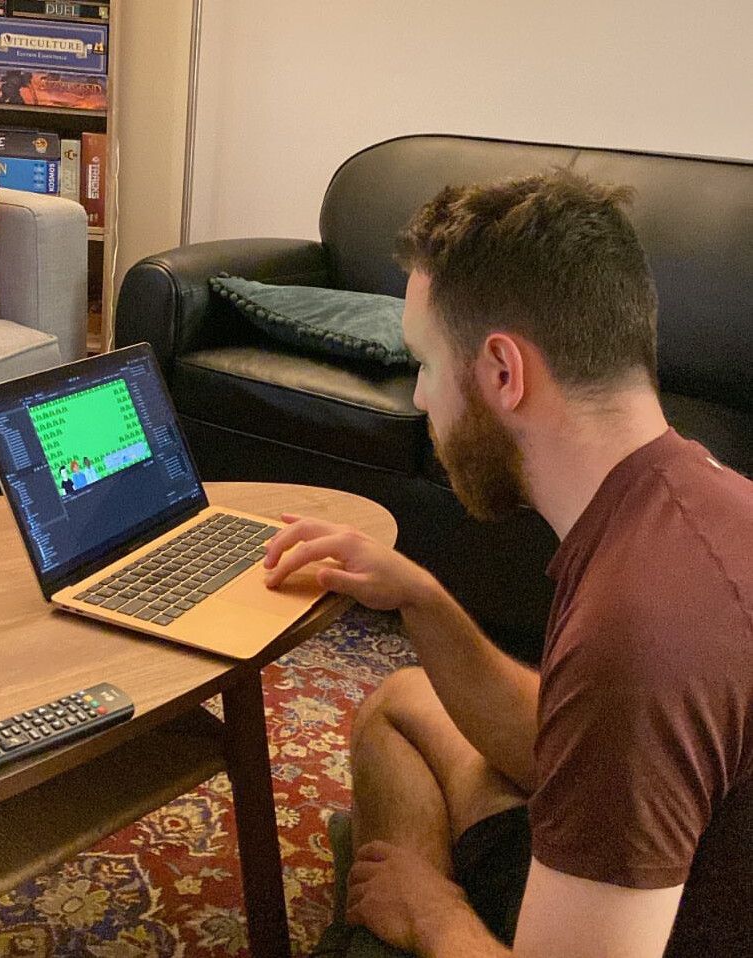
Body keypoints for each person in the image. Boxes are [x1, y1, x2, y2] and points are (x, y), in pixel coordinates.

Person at [263, 171, 751, 958]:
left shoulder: (634, 633)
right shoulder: (695, 496)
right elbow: (570, 745)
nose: (420, 399)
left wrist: (433, 916)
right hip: (682, 862)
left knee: (406, 880)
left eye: (425, 364)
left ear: (501, 371)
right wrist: (420, 598)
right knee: (402, 700)